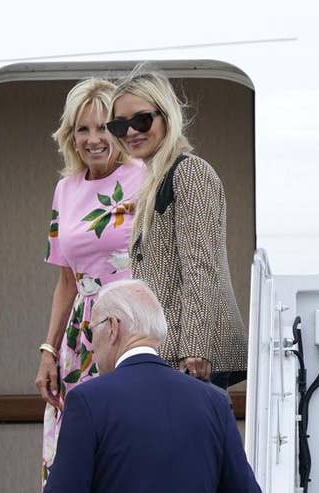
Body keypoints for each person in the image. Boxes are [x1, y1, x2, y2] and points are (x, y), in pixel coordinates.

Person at [35, 280, 271, 493]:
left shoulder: (87, 401)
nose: (91, 346)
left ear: (113, 327)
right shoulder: (214, 402)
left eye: (91, 331)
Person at [34, 78, 145, 481]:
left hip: (135, 326)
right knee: (77, 448)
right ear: (70, 135)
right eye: (83, 128)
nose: (93, 139)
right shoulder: (65, 189)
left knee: (128, 438)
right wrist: (48, 349)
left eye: (104, 127)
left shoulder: (146, 177)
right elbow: (66, 279)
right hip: (82, 334)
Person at [108, 68, 247, 387]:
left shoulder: (190, 173)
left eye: (141, 120)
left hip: (192, 361)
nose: (130, 132)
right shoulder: (154, 180)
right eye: (119, 125)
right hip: (169, 354)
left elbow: (201, 267)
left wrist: (194, 350)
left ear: (166, 116)